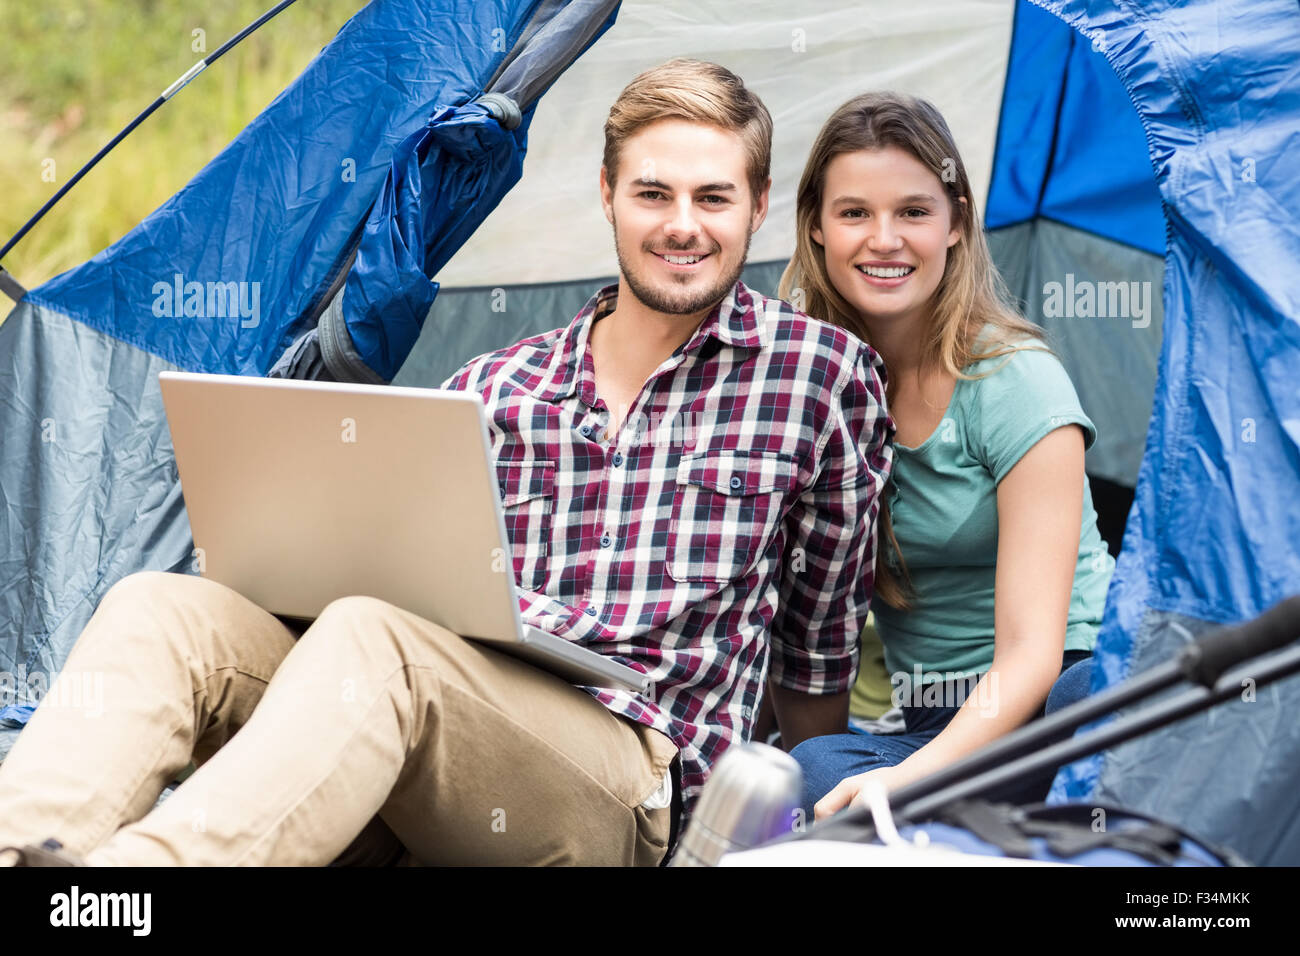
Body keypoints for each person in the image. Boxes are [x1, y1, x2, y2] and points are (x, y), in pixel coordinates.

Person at [0, 59, 893, 866]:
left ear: (760, 203)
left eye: (713, 198)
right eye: (654, 194)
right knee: (166, 608)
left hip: (629, 777)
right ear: (608, 193)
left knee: (376, 641)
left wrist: (781, 820)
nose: (682, 226)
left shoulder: (820, 375)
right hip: (440, 713)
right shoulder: (498, 384)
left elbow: (816, 658)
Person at [777, 92, 1114, 821]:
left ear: (956, 222)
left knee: (1097, 707)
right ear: (817, 229)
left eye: (914, 212)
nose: (884, 239)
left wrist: (906, 783)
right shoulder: (812, 389)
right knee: (809, 774)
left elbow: (1033, 657)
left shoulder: (1016, 381)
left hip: (1064, 694)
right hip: (936, 720)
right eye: (855, 213)